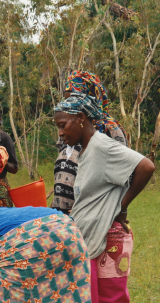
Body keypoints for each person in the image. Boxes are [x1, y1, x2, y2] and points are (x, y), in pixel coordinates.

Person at [53, 92, 155, 303]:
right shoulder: (86, 149)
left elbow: (146, 167)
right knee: (92, 302)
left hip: (110, 239)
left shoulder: (103, 146)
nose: (60, 132)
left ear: (81, 119)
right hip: (93, 237)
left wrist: (122, 206)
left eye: (63, 125)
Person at [52, 70, 129, 215]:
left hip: (91, 216)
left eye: (74, 99)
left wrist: (119, 210)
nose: (68, 105)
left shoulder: (110, 130)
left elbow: (122, 177)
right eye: (66, 100)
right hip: (63, 218)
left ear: (90, 97)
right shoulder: (68, 129)